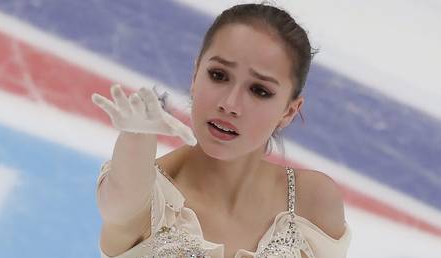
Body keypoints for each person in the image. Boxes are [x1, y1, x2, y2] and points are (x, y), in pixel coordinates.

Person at [92, 3, 351, 258]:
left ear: (288, 111)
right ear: (195, 76)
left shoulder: (314, 204)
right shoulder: (147, 195)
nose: (229, 104)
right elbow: (120, 200)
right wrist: (135, 139)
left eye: (260, 91)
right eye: (218, 75)